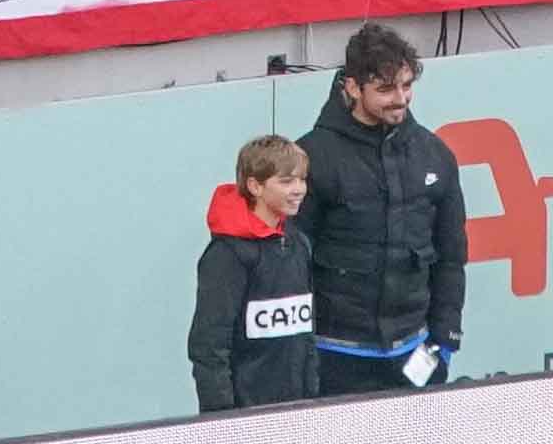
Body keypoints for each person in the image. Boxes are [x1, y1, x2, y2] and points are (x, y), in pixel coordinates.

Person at [298, 21, 471, 393]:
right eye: (386, 88)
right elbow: (293, 264)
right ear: (352, 87)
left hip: (416, 353)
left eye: (407, 86)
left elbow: (452, 258)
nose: (401, 98)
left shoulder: (435, 154)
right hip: (334, 356)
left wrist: (444, 342)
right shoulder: (313, 156)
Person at [189, 132, 324, 410]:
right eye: (286, 181)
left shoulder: (298, 243)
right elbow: (210, 346)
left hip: (300, 407)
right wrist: (223, 420)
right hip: (246, 413)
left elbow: (305, 332)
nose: (299, 189)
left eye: (302, 179)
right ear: (255, 186)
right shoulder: (227, 256)